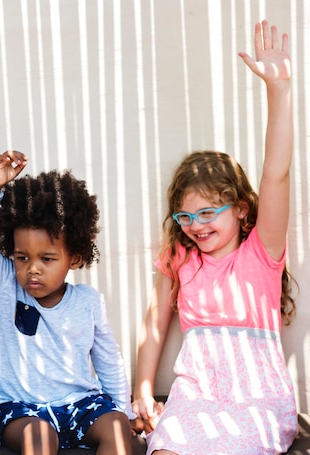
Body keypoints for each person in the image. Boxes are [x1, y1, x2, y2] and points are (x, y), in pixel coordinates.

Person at [131, 20, 297, 455]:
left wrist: (278, 92)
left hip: (256, 402)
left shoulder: (261, 254)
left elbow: (276, 174)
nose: (196, 224)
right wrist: (144, 390)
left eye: (208, 212)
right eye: (185, 215)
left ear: (241, 209)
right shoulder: (181, 258)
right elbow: (154, 324)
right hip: (195, 398)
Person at [0, 151, 136, 455]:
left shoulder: (88, 302)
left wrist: (124, 412)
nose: (32, 268)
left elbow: (108, 360)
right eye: (22, 257)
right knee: (39, 437)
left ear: (75, 258)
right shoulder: (7, 285)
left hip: (81, 405)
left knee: (117, 428)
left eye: (47, 259)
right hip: (23, 411)